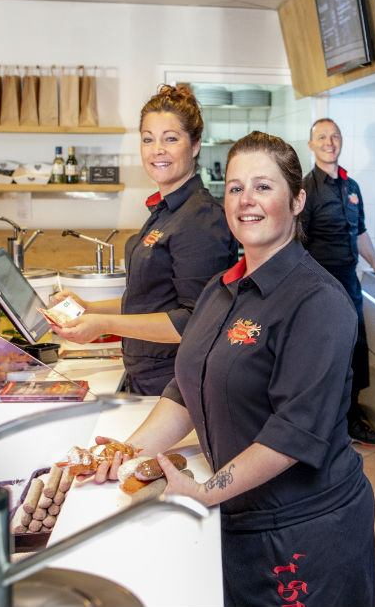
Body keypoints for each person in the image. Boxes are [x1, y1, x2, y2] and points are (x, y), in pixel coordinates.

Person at [87, 131, 375, 606]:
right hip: (239, 511)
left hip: (302, 527)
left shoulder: (318, 301)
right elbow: (188, 387)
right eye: (236, 188)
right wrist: (128, 451)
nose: (246, 200)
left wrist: (205, 491)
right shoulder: (220, 289)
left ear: (297, 200)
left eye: (263, 187)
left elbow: (292, 433)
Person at [50, 85, 239, 395]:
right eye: (148, 139)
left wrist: (104, 325)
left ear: (194, 146)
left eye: (170, 139)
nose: (157, 150)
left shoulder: (201, 219)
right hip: (147, 375)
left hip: (176, 383)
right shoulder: (166, 211)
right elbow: (152, 301)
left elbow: (195, 321)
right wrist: (89, 309)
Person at [302, 117, 375, 446]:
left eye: (335, 136)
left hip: (349, 284)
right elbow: (297, 241)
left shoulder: (351, 187)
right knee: (322, 355)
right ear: (311, 145)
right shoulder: (306, 190)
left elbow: (360, 233)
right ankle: (320, 424)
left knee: (354, 349)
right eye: (322, 137)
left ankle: (351, 419)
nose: (329, 142)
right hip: (319, 286)